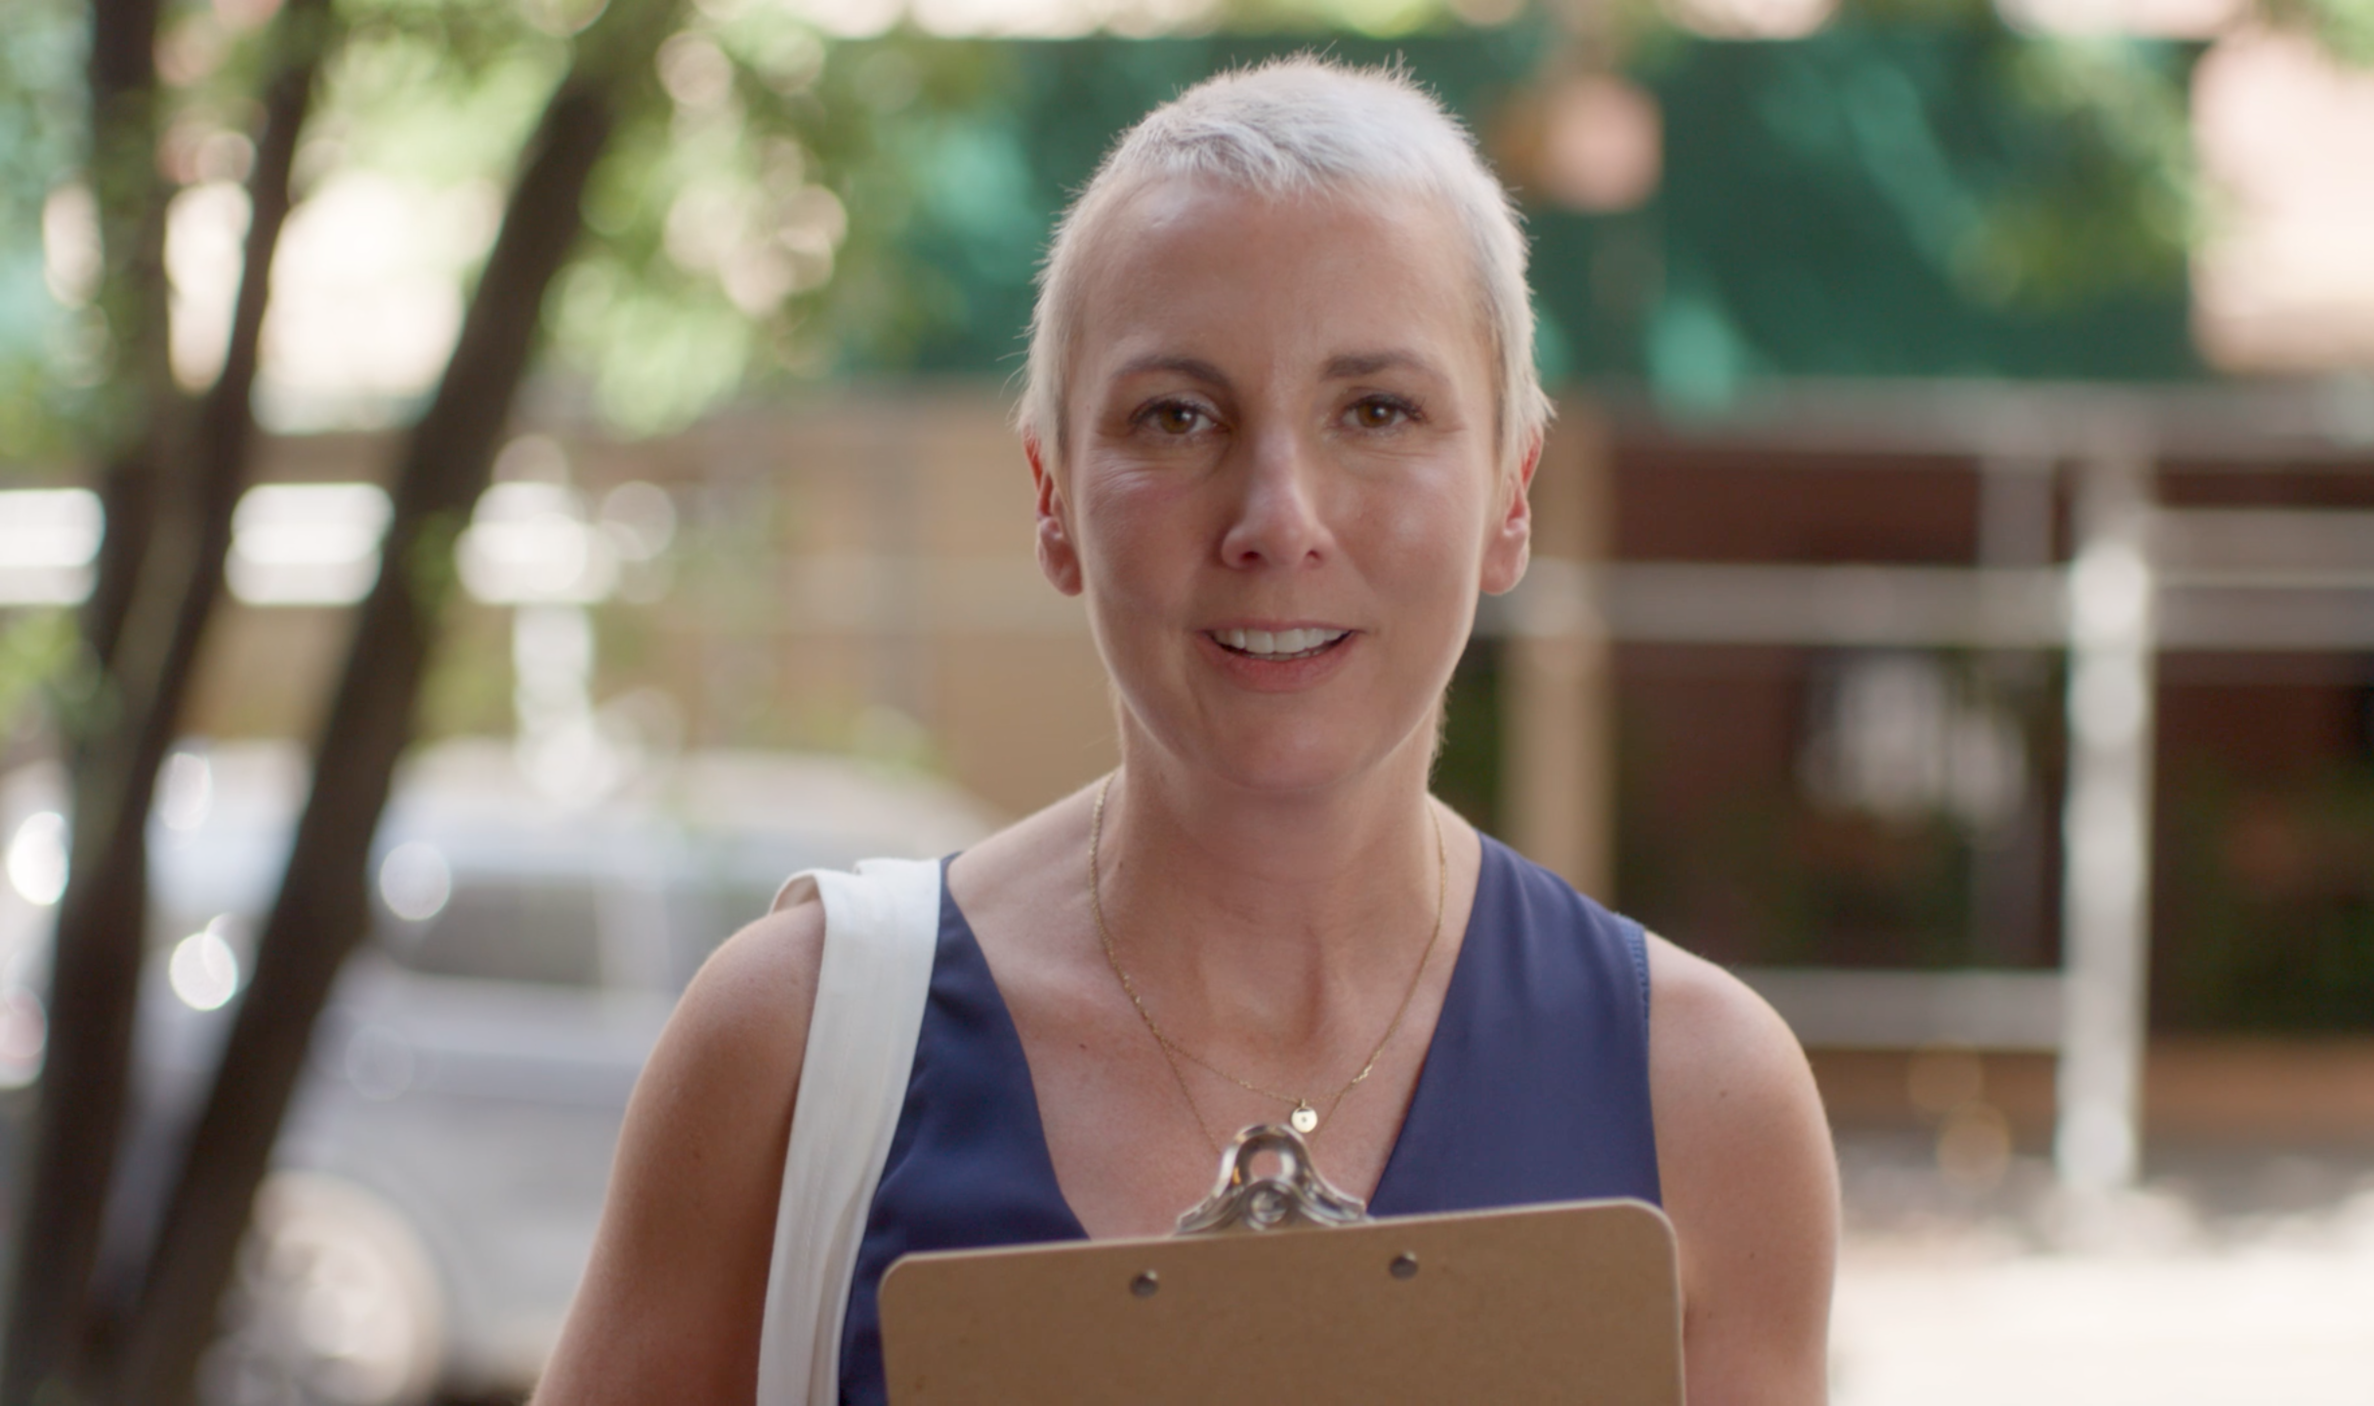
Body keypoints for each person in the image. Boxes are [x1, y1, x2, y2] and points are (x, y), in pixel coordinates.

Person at [534, 56, 1837, 1405]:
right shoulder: (798, 1048)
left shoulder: (1701, 1097)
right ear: (1052, 497)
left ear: (1513, 494)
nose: (1278, 518)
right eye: (1178, 415)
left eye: (1376, 410)